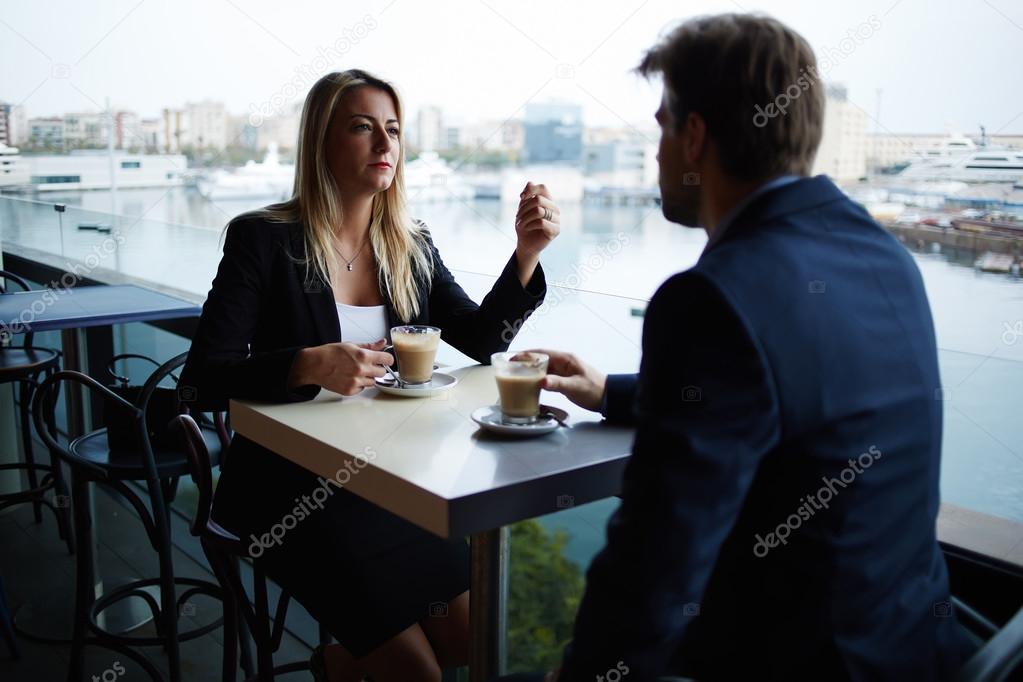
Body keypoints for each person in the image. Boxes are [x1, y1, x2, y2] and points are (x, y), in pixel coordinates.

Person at [507, 13, 963, 682]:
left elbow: (652, 572)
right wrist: (612, 392)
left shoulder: (711, 298)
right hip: (917, 650)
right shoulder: (884, 255)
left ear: (694, 138)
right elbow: (779, 401)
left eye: (661, 125)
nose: (654, 150)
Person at [180, 69, 560, 682]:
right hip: (290, 493)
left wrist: (526, 256)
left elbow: (484, 340)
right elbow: (200, 380)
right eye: (362, 128)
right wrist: (306, 364)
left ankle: (333, 667)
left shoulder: (410, 244)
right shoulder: (262, 240)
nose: (385, 145)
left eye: (393, 130)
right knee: (421, 676)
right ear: (321, 143)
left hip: (391, 481)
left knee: (472, 636)